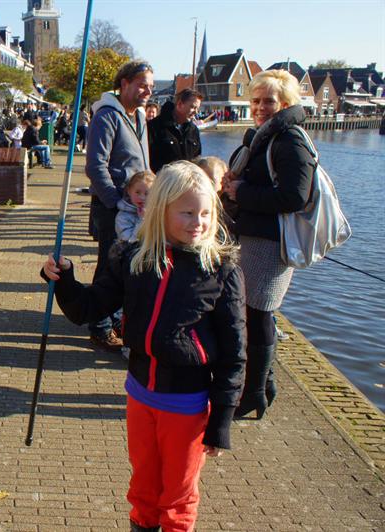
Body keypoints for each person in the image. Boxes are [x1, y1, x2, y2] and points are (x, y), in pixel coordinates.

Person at [42, 161, 246, 532]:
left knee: (178, 495)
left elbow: (235, 353)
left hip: (187, 405)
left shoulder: (221, 269)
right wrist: (65, 279)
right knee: (144, 487)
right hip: (139, 394)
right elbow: (88, 308)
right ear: (160, 210)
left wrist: (221, 421)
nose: (197, 222)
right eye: (187, 213)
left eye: (204, 213)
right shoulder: (134, 257)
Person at [223, 69, 313, 419]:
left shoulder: (290, 140)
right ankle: (265, 384)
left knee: (258, 315)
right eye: (256, 101)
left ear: (286, 103)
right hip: (254, 236)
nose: (260, 107)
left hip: (271, 244)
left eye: (269, 101)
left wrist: (241, 191)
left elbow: (294, 196)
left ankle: (254, 394)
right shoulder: (264, 137)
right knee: (252, 313)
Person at [84, 60, 153, 352]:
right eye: (142, 85)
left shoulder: (138, 117)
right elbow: (95, 165)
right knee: (109, 267)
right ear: (124, 84)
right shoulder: (107, 116)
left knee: (126, 266)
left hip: (137, 205)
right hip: (113, 206)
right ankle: (99, 327)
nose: (148, 91)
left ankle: (114, 319)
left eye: (151, 86)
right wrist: (114, 202)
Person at [148, 88, 203, 172]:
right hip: (163, 178)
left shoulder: (193, 131)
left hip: (188, 179)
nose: (196, 112)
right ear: (180, 104)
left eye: (197, 108)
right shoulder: (154, 127)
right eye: (193, 107)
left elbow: (197, 159)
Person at [114, 170, 155, 245]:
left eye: (147, 193)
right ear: (129, 191)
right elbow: (129, 241)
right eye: (137, 192)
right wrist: (142, 219)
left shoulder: (157, 212)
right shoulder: (123, 217)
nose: (142, 197)